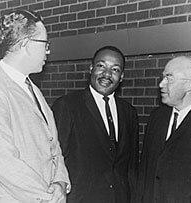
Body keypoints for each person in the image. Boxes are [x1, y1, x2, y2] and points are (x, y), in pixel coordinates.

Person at [0, 9, 70, 202]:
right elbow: (3, 163)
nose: (48, 51)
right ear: (26, 44)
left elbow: (54, 148)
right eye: (45, 44)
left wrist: (60, 183)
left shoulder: (33, 89)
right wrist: (48, 196)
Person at [52, 46, 139, 203]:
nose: (107, 74)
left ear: (122, 76)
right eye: (101, 66)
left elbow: (131, 167)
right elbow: (55, 158)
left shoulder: (129, 112)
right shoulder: (67, 105)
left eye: (115, 69)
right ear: (91, 69)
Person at [137, 56, 191, 203]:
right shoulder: (156, 117)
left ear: (189, 85)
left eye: (169, 78)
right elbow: (144, 169)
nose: (161, 84)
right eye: (163, 77)